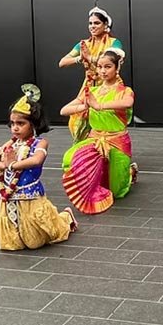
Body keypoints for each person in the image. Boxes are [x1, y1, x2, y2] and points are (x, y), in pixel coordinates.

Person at [0, 84, 77, 251]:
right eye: (12, 123)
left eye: (21, 123)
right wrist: (1, 165)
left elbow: (36, 160)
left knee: (35, 242)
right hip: (9, 196)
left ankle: (66, 218)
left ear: (33, 125)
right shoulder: (10, 144)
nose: (15, 127)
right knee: (11, 244)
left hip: (30, 196)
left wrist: (12, 165)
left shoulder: (39, 143)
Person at [60, 48, 137, 214]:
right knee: (69, 159)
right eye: (100, 67)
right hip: (95, 140)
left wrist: (99, 106)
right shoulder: (91, 91)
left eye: (108, 67)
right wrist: (84, 107)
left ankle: (130, 172)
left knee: (118, 192)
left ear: (117, 68)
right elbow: (64, 110)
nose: (103, 71)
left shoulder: (125, 91)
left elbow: (127, 103)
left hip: (117, 141)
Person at [58, 4, 125, 141]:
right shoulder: (83, 45)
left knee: (106, 119)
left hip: (109, 86)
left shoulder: (114, 43)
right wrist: (80, 58)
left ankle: (107, 148)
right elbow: (62, 62)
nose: (92, 26)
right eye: (90, 23)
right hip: (89, 86)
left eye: (96, 23)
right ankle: (86, 148)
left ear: (105, 25)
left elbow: (113, 57)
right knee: (78, 120)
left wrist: (90, 58)